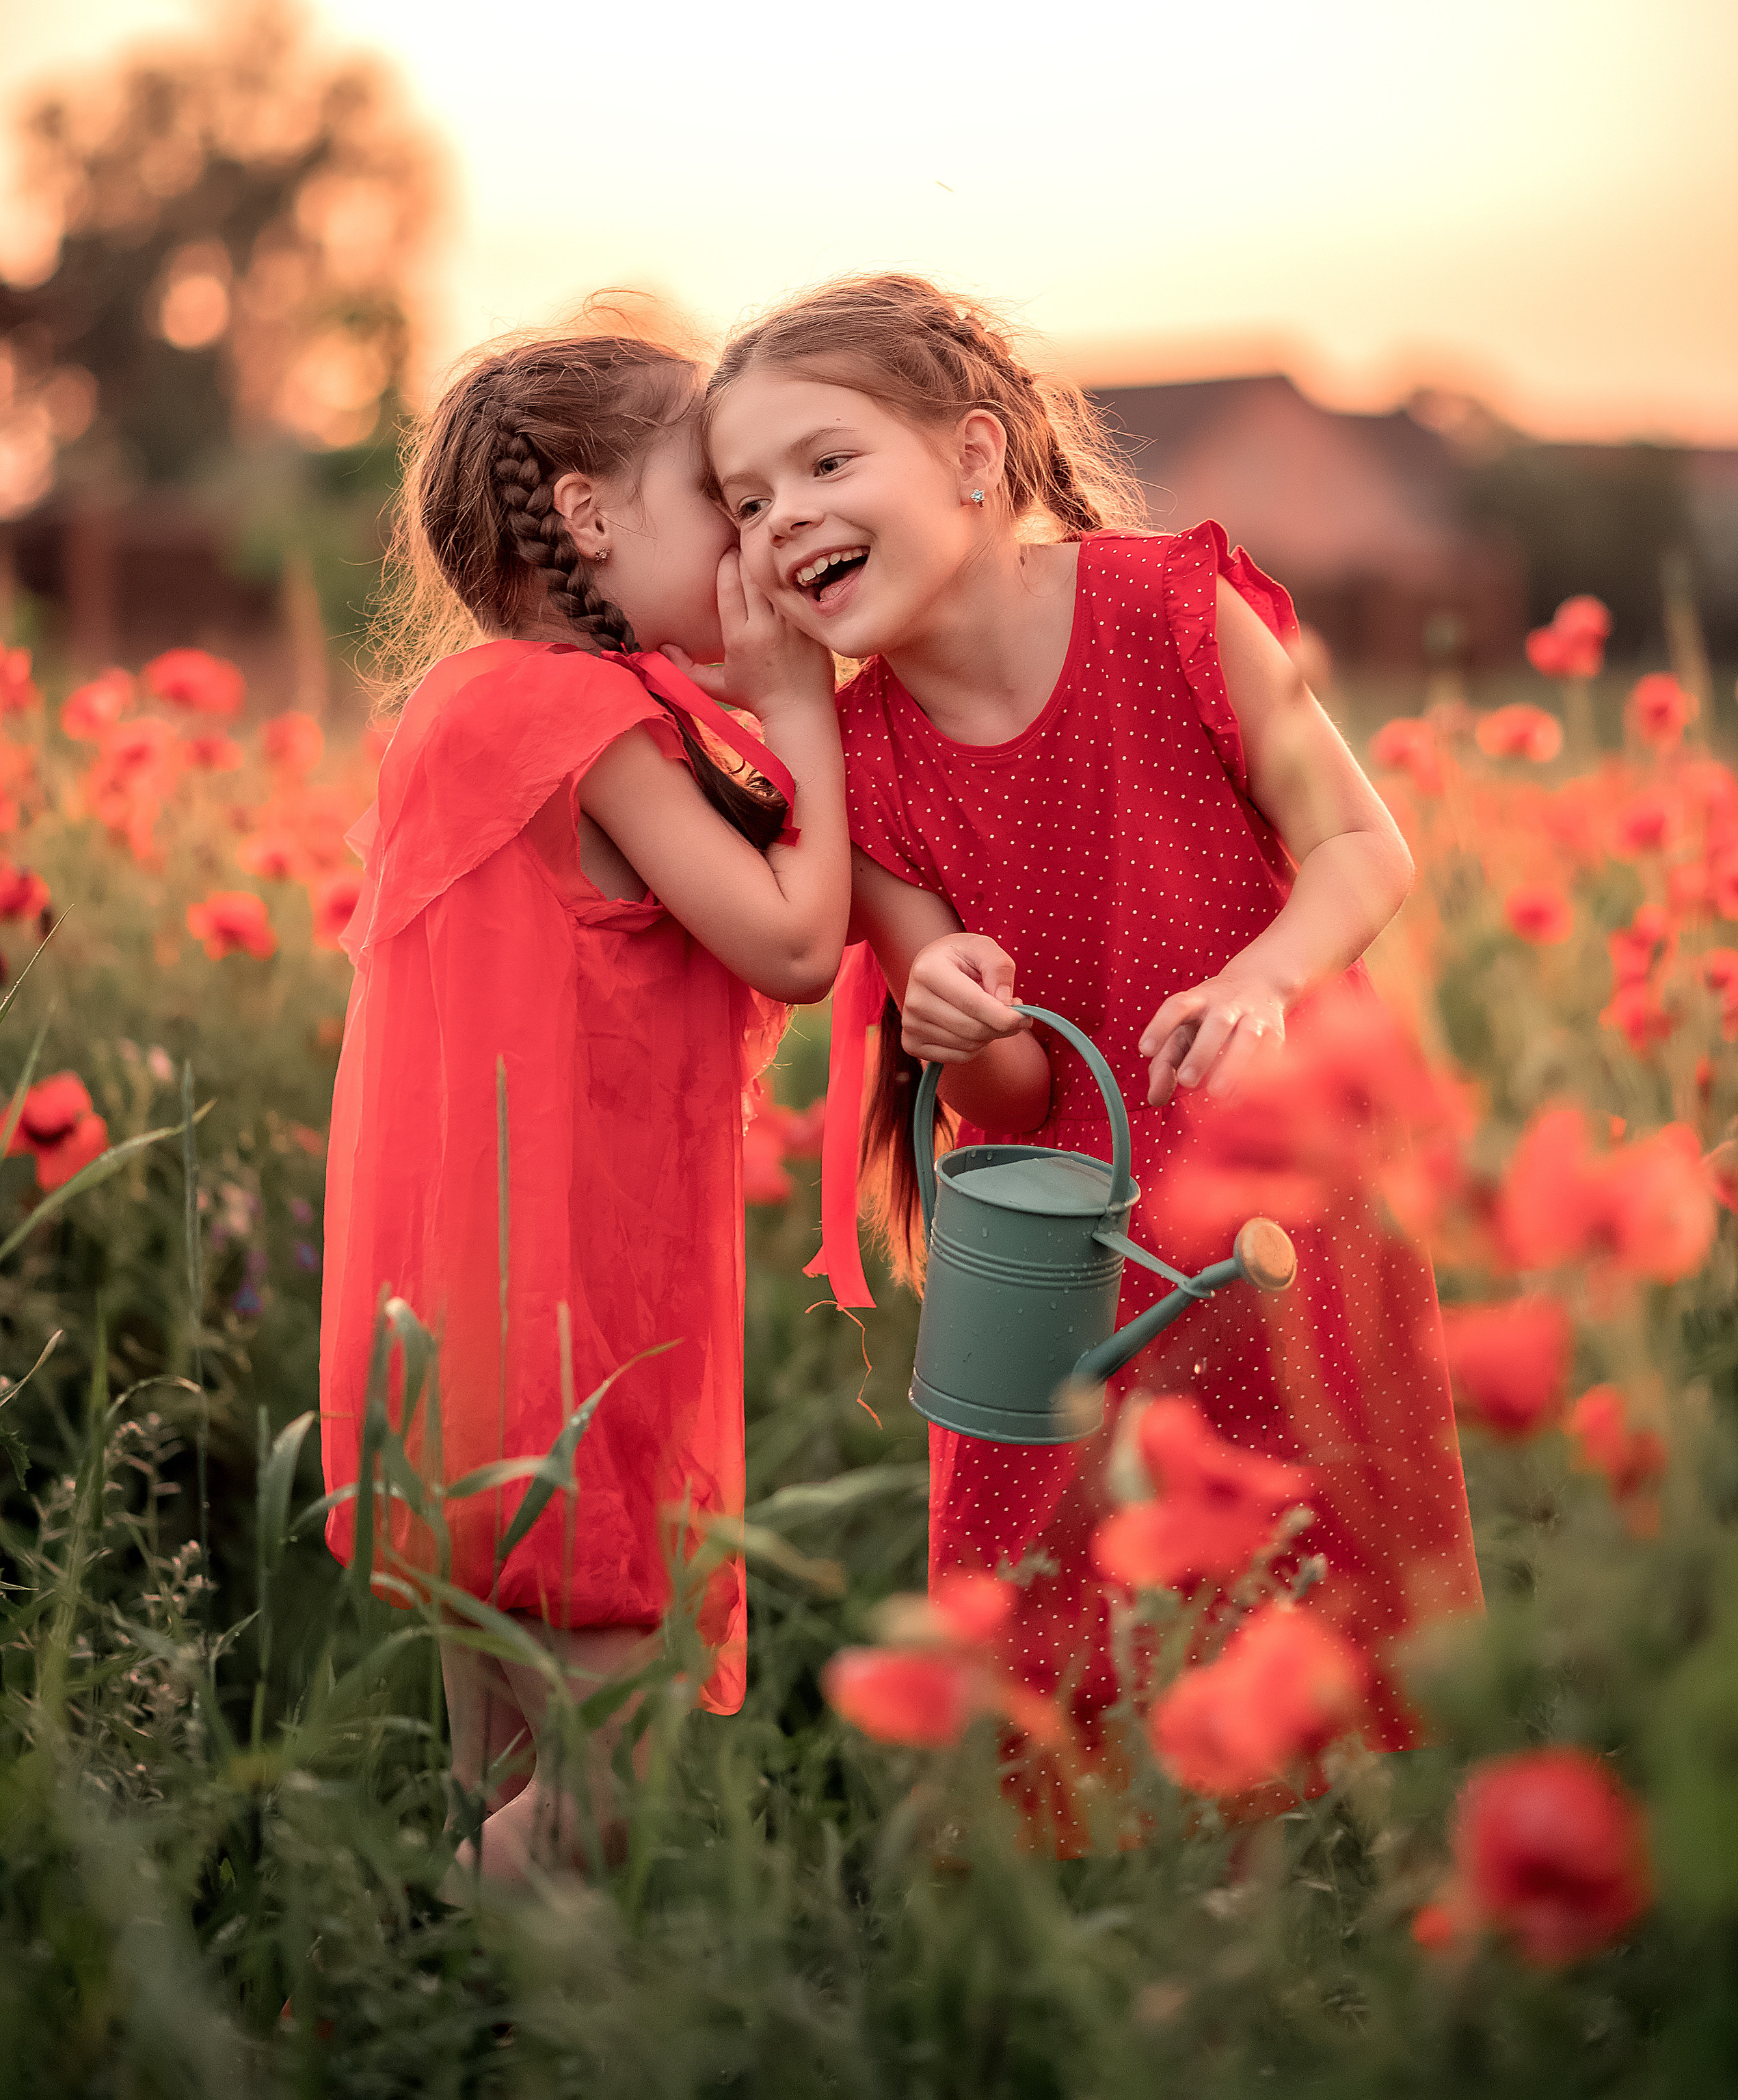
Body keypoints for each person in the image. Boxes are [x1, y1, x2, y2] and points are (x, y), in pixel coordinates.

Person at [700, 274, 1481, 1822]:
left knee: (1315, 1615)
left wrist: (1259, 981)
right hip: (1056, 1260)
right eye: (744, 496)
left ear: (976, 457)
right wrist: (948, 1022)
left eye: (825, 463)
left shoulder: (1165, 609)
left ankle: (1326, 1960)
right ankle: (1093, 1971)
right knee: (1065, 1666)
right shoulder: (864, 761)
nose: (783, 516)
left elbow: (1359, 847)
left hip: (1279, 1212)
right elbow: (1012, 1094)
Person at [321, 322, 848, 1882]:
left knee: (497, 1779)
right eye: (719, 497)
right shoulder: (592, 726)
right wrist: (798, 693)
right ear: (593, 515)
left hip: (449, 1359)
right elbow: (796, 941)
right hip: (577, 1351)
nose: (752, 534)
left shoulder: (461, 705)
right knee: (599, 1805)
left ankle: (434, 2022)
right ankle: (350, 1996)